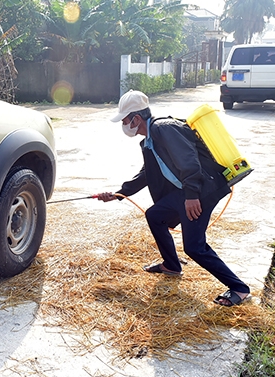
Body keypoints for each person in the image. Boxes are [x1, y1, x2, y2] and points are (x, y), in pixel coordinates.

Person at [96, 90, 251, 307]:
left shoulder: (164, 129)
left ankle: (239, 288)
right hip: (188, 191)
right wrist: (119, 194)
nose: (123, 124)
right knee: (155, 215)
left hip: (202, 190)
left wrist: (191, 196)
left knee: (194, 247)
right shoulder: (150, 140)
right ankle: (171, 265)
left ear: (136, 119)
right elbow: (145, 175)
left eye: (124, 119)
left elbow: (189, 162)